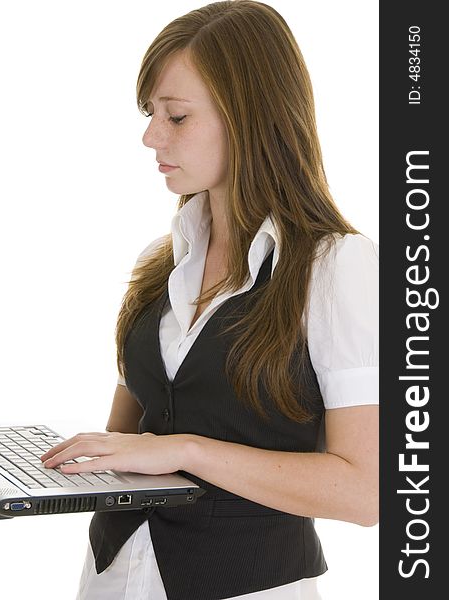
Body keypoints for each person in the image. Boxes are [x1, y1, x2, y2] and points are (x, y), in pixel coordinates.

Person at [40, 1, 379, 598]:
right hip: (114, 579)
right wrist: (37, 470)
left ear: (249, 118)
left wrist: (188, 450)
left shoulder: (335, 268)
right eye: (151, 114)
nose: (150, 137)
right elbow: (131, 440)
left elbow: (366, 492)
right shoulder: (159, 263)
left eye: (175, 116)